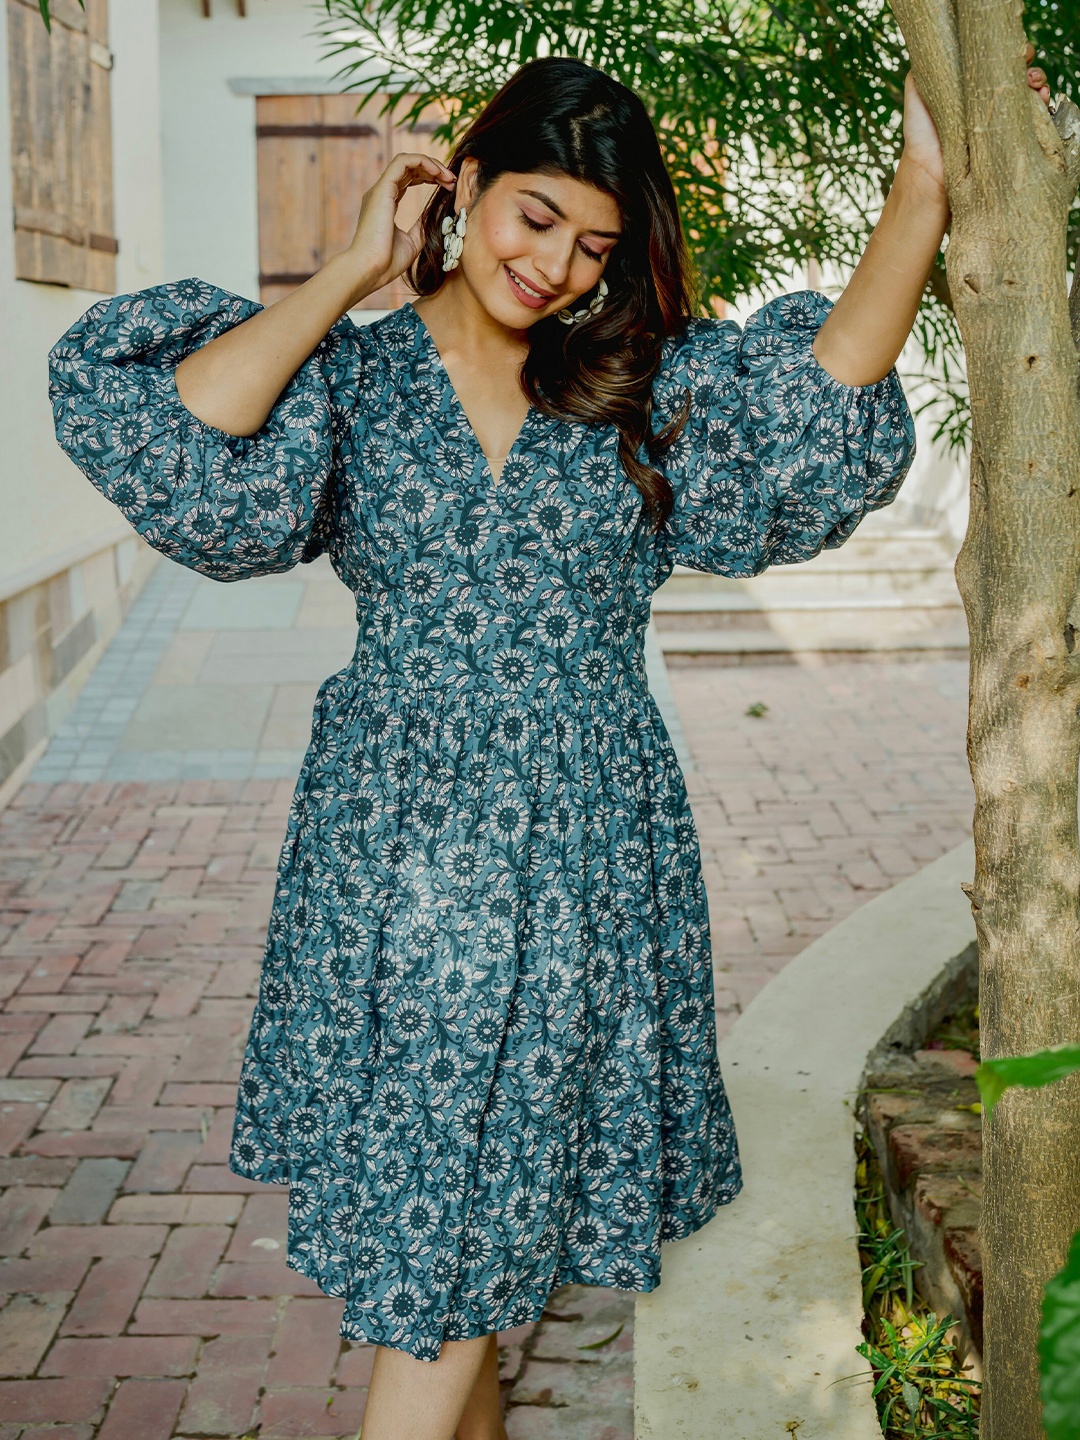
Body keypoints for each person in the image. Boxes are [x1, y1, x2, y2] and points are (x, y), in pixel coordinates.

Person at [46, 49, 1051, 1440]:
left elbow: (821, 397)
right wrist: (345, 272)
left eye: (594, 244)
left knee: (447, 1252)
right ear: (460, 184)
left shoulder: (630, 386)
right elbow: (174, 442)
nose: (558, 267)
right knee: (444, 1242)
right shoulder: (352, 378)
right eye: (533, 217)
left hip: (584, 845)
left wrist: (923, 189)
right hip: (385, 864)